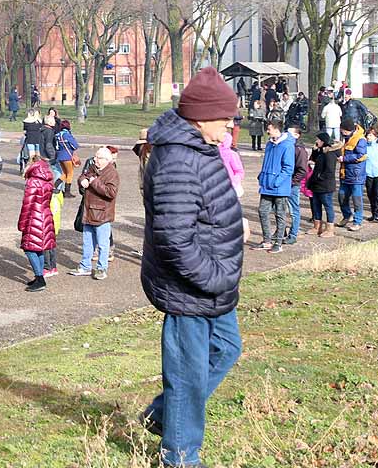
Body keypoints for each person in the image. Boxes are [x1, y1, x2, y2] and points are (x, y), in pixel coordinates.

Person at [137, 67, 244, 467]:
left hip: (214, 284)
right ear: (201, 117)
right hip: (190, 288)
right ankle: (180, 456)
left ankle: (162, 415)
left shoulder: (199, 146)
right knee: (186, 376)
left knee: (227, 349)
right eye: (226, 119)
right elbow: (175, 241)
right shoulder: (179, 160)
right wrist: (215, 277)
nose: (231, 126)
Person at [71, 146, 119, 280]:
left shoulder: (112, 173)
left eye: (99, 158)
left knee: (103, 244)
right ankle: (85, 266)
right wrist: (82, 181)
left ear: (107, 160)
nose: (95, 159)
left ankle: (101, 268)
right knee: (87, 242)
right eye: (95, 157)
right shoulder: (92, 168)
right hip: (88, 211)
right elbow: (82, 176)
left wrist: (93, 182)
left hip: (102, 214)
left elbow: (111, 192)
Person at [253, 120, 294, 253]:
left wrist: (277, 182)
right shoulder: (270, 144)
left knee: (280, 214)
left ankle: (279, 242)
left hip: (279, 187)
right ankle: (267, 241)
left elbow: (288, 168)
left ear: (276, 129)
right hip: (266, 185)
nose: (267, 131)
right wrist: (262, 176)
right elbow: (266, 162)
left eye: (269, 129)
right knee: (262, 211)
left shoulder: (287, 145)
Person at [18, 154, 54, 292]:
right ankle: (39, 275)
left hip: (34, 217)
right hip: (45, 215)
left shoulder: (33, 181)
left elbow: (27, 205)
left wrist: (22, 223)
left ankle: (40, 278)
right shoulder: (47, 179)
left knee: (29, 248)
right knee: (38, 248)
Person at [337, 121, 368, 231]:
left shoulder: (360, 139)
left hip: (356, 175)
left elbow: (361, 155)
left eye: (343, 131)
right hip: (344, 174)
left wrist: (344, 159)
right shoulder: (346, 138)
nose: (342, 132)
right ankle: (347, 215)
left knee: (357, 199)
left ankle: (357, 221)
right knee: (341, 196)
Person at [307, 132, 338, 237]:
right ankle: (317, 226)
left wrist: (319, 178)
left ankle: (330, 229)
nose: (316, 142)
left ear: (323, 141)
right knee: (316, 205)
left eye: (318, 140)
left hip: (325, 185)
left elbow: (329, 170)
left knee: (328, 206)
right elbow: (314, 159)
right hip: (316, 185)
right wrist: (314, 150)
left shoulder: (329, 154)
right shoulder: (321, 152)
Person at [54, 119, 80, 193]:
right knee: (70, 173)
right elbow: (75, 145)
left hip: (60, 156)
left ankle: (55, 185)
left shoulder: (57, 135)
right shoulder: (67, 135)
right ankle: (67, 192)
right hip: (67, 156)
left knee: (65, 173)